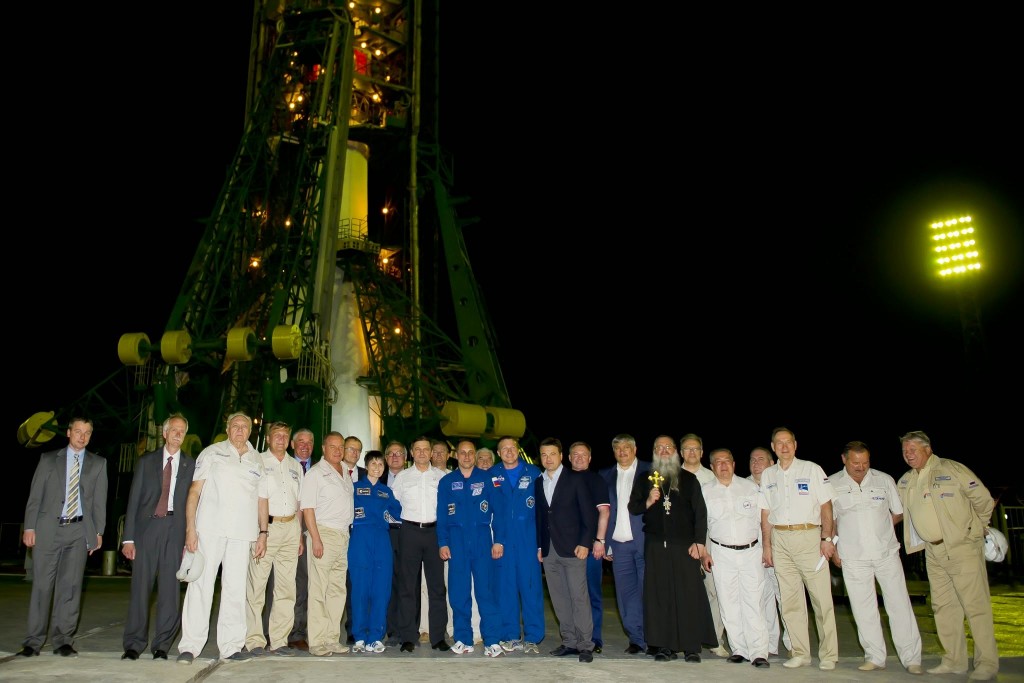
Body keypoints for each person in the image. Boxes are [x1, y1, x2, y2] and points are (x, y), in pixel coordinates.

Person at [896, 431, 998, 681]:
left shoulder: (952, 469)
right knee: (943, 607)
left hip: (961, 548)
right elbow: (893, 511)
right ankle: (954, 660)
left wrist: (977, 530)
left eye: (913, 449)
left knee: (975, 606)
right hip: (932, 551)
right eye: (905, 450)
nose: (908, 454)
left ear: (927, 449)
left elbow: (983, 500)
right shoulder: (906, 480)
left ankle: (987, 663)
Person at [177, 411, 269, 664]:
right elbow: (194, 492)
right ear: (227, 429)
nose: (240, 430)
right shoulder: (211, 453)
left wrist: (263, 533)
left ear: (250, 431)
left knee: (235, 590)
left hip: (243, 535)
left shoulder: (257, 460)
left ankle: (231, 645)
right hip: (210, 530)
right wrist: (190, 529)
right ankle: (190, 646)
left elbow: (262, 499)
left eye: (245, 427)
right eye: (235, 426)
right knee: (200, 586)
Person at [830, 440, 922, 674]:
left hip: (886, 554)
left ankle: (912, 658)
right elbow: (829, 521)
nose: (861, 467)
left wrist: (882, 528)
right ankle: (874, 656)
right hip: (853, 556)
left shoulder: (884, 480)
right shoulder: (831, 483)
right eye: (855, 462)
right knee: (863, 609)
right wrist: (833, 548)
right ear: (844, 459)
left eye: (865, 462)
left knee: (899, 604)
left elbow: (898, 512)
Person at [19, 417, 107, 658]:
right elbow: (35, 496)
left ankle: (63, 641)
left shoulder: (98, 464)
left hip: (79, 532)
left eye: (87, 432)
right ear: (68, 433)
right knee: (42, 586)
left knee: (70, 588)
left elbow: (100, 502)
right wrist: (29, 527)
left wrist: (97, 532)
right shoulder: (49, 460)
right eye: (78, 431)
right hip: (49, 530)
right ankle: (33, 642)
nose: (82, 436)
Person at [628, 435, 717, 662]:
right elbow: (633, 506)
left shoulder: (688, 479)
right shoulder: (645, 478)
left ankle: (691, 647)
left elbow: (700, 513)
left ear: (675, 451)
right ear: (654, 452)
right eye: (659, 447)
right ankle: (664, 646)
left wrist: (699, 543)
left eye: (668, 447)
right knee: (660, 596)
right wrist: (648, 501)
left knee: (687, 596)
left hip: (684, 546)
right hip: (656, 545)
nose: (664, 450)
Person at [758, 426, 838, 671]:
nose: (784, 447)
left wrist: (827, 539)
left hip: (809, 537)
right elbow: (765, 513)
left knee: (820, 598)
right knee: (790, 601)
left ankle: (829, 654)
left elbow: (826, 507)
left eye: (788, 442)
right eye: (779, 443)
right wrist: (767, 546)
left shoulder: (812, 469)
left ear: (795, 444)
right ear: (773, 447)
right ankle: (800, 652)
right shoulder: (768, 475)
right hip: (781, 539)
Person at [121, 414, 195, 661]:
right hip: (147, 529)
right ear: (164, 433)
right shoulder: (146, 462)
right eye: (174, 430)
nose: (178, 434)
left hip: (175, 529)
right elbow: (133, 501)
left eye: (182, 431)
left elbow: (194, 503)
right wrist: (128, 538)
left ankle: (162, 645)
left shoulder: (190, 465)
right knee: (140, 587)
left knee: (170, 591)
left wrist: (190, 537)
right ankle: (133, 644)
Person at [701, 448, 770, 668]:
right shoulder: (705, 491)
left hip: (751, 551)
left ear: (734, 463)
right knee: (728, 602)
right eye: (718, 462)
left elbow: (763, 520)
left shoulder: (750, 488)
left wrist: (766, 548)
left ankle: (759, 652)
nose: (723, 465)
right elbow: (701, 526)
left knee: (753, 601)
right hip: (721, 552)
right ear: (711, 467)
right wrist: (704, 552)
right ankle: (739, 648)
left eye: (727, 461)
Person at [436, 439, 501, 657]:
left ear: (474, 456)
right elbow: (442, 515)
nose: (466, 456)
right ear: (456, 455)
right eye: (462, 453)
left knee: (486, 591)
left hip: (482, 540)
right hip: (456, 542)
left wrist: (498, 540)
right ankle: (464, 639)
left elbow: (498, 512)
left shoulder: (486, 479)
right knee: (458, 592)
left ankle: (492, 639)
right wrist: (443, 542)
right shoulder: (447, 482)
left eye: (470, 453)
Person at [244, 421, 304, 656]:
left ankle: (279, 640)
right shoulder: (257, 461)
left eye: (284, 436)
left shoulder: (294, 466)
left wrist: (298, 534)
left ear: (289, 441)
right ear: (268, 439)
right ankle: (255, 639)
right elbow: (257, 499)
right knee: (257, 586)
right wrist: (262, 533)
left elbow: (299, 503)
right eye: (276, 435)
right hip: (265, 529)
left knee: (287, 588)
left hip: (290, 528)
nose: (280, 439)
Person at [535, 437, 597, 663]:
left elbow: (589, 514)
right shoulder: (538, 482)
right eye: (543, 454)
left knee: (579, 597)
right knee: (559, 599)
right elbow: (541, 517)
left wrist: (585, 543)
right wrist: (540, 546)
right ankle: (569, 642)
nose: (548, 458)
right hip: (550, 550)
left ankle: (586, 645)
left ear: (561, 456)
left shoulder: (576, 480)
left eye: (552, 454)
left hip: (573, 549)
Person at [392, 435, 449, 653]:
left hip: (434, 532)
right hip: (409, 532)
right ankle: (408, 635)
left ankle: (437, 637)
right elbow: (392, 503)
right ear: (412, 453)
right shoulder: (403, 477)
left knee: (437, 587)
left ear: (432, 453)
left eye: (427, 449)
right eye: (419, 449)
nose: (423, 453)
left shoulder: (441, 477)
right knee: (407, 586)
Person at [299, 431, 354, 657]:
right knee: (319, 590)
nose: (337, 450)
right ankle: (317, 640)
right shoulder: (315, 474)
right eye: (333, 446)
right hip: (324, 533)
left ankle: (332, 638)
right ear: (323, 448)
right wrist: (316, 538)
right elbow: (308, 508)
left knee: (337, 590)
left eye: (341, 446)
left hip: (343, 536)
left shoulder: (344, 473)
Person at [489, 435, 544, 654]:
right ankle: (510, 635)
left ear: (518, 450)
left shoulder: (534, 473)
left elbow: (544, 510)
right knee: (506, 589)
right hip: (502, 539)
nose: (509, 452)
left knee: (531, 588)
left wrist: (542, 544)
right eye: (504, 449)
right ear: (499, 452)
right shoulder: (492, 475)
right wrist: (495, 540)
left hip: (528, 539)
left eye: (512, 448)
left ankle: (533, 636)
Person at [679, 433, 729, 658]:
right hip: (680, 543)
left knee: (713, 591)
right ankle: (684, 638)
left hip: (709, 541)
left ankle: (715, 639)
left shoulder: (711, 478)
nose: (691, 453)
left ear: (701, 452)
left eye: (695, 449)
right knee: (682, 592)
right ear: (681, 453)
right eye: (687, 449)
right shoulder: (671, 476)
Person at [600, 433, 649, 655]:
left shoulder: (651, 471)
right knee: (626, 594)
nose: (622, 452)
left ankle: (654, 637)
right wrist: (605, 542)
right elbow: (602, 512)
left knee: (648, 592)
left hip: (646, 543)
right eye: (618, 448)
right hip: (618, 546)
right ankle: (637, 639)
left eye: (627, 447)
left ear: (635, 449)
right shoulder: (605, 475)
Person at [349, 449, 402, 653]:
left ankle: (376, 636)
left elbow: (397, 514)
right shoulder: (353, 488)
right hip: (360, 540)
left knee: (381, 589)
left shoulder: (386, 492)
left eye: (381, 464)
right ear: (367, 465)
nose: (377, 468)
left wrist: (387, 514)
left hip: (381, 540)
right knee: (360, 589)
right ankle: (360, 637)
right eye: (374, 464)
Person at [748, 446, 791, 657]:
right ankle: (768, 644)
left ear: (772, 463)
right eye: (753, 460)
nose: (756, 463)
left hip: (781, 548)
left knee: (785, 596)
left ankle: (793, 644)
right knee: (761, 598)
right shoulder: (742, 485)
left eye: (761, 459)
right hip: (753, 551)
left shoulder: (780, 483)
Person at [568, 441, 609, 654]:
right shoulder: (563, 479)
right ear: (569, 457)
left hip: (591, 547)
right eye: (575, 454)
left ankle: (595, 638)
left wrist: (599, 541)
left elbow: (603, 511)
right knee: (570, 594)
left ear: (590, 458)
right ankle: (574, 637)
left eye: (583, 454)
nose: (579, 457)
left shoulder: (596, 480)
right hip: (567, 549)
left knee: (592, 593)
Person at [287, 427, 315, 651]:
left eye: (309, 442)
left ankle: (298, 632)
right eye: (300, 442)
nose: (305, 446)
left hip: (310, 530)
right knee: (277, 585)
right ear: (292, 444)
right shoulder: (284, 465)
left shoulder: (319, 469)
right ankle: (274, 632)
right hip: (284, 526)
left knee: (303, 584)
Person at [340, 435, 366, 644]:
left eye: (358, 450)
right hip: (337, 532)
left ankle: (354, 628)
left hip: (360, 536)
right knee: (336, 583)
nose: (354, 454)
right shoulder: (332, 471)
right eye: (351, 449)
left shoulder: (367, 475)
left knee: (356, 583)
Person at [382, 440, 407, 646]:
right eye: (391, 453)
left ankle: (408, 629)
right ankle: (390, 630)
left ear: (406, 458)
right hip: (384, 534)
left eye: (399, 453)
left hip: (408, 533)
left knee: (408, 581)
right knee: (387, 582)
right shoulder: (376, 477)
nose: (395, 456)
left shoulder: (413, 478)